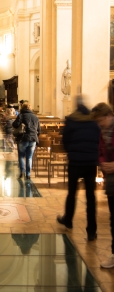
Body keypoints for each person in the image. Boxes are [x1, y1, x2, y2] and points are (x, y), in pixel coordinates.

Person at [57, 96, 100, 242]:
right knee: (90, 197)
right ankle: (91, 230)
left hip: (75, 162)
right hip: (90, 163)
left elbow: (65, 140)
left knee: (72, 193)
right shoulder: (94, 121)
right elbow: (98, 140)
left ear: (76, 106)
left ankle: (68, 220)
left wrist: (71, 152)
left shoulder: (71, 120)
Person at [91, 102, 114, 268]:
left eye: (100, 121)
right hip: (111, 180)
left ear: (108, 116)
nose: (99, 125)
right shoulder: (103, 132)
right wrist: (102, 163)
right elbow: (99, 151)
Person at [12, 102, 40, 180]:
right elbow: (39, 130)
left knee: (21, 156)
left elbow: (14, 125)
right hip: (33, 139)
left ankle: (22, 172)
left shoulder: (21, 115)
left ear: (22, 108)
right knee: (29, 157)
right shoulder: (35, 117)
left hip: (22, 138)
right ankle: (28, 174)